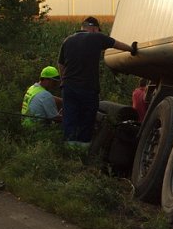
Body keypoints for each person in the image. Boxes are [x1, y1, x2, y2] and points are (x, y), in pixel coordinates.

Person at [58, 16, 138, 144]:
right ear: (95, 29)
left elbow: (61, 64)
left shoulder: (67, 41)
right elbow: (117, 44)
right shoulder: (97, 37)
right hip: (87, 88)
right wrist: (132, 49)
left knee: (70, 118)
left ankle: (70, 151)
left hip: (68, 88)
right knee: (87, 119)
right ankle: (82, 150)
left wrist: (63, 81)